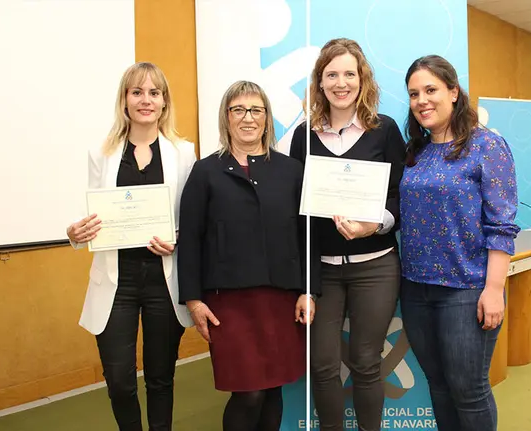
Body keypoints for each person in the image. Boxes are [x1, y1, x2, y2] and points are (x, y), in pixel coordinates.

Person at [176, 80, 314, 431]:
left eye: (256, 110)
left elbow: (306, 237)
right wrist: (193, 300)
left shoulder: (290, 171)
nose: (248, 118)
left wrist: (308, 290)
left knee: (272, 391)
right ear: (226, 119)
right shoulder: (206, 172)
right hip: (229, 305)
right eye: (238, 110)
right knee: (248, 393)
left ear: (267, 119)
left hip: (281, 300)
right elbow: (190, 238)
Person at [66, 62, 197, 430]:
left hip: (163, 281)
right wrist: (75, 233)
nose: (146, 100)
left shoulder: (183, 153)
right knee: (120, 382)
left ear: (164, 101)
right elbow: (88, 215)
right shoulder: (102, 154)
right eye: (137, 92)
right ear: (124, 100)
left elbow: (191, 219)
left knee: (160, 380)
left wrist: (177, 239)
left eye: (154, 93)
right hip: (115, 282)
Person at [399, 54, 521, 431]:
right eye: (414, 93)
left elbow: (501, 224)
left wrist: (494, 290)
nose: (422, 100)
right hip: (416, 289)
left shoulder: (487, 146)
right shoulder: (414, 152)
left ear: (454, 92)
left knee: (469, 390)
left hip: (466, 289)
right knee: (438, 385)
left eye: (431, 89)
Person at [289, 38, 405, 431]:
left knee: (366, 362)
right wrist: (304, 281)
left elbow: (401, 196)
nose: (341, 83)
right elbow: (296, 211)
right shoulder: (303, 136)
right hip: (322, 272)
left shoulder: (384, 130)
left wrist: (378, 223)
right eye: (332, 74)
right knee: (322, 366)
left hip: (376, 267)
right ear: (320, 83)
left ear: (362, 80)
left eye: (349, 74)